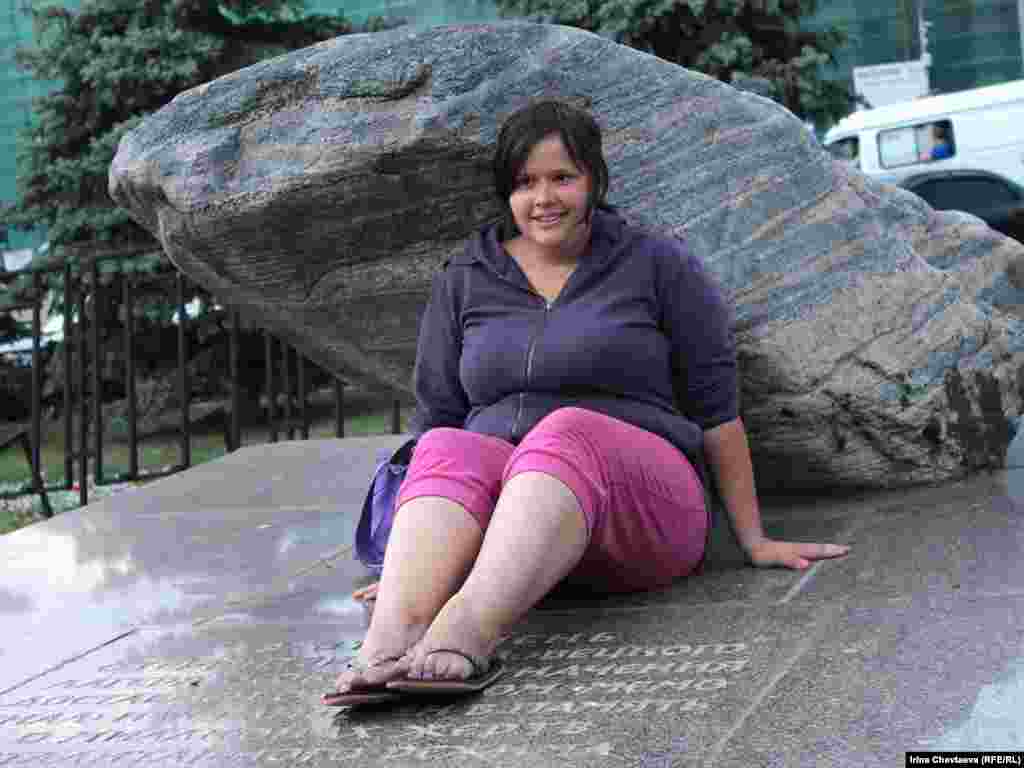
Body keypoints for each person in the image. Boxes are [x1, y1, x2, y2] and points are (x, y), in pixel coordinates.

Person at [323, 100, 850, 706]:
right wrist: (411, 564)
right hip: (512, 539)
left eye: (561, 178)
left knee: (566, 429)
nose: (543, 198)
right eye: (525, 183)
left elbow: (716, 409)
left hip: (641, 510)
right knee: (447, 444)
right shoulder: (466, 274)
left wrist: (754, 540)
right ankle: (389, 645)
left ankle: (464, 634)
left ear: (594, 181)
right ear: (506, 193)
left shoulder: (657, 264)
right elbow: (437, 419)